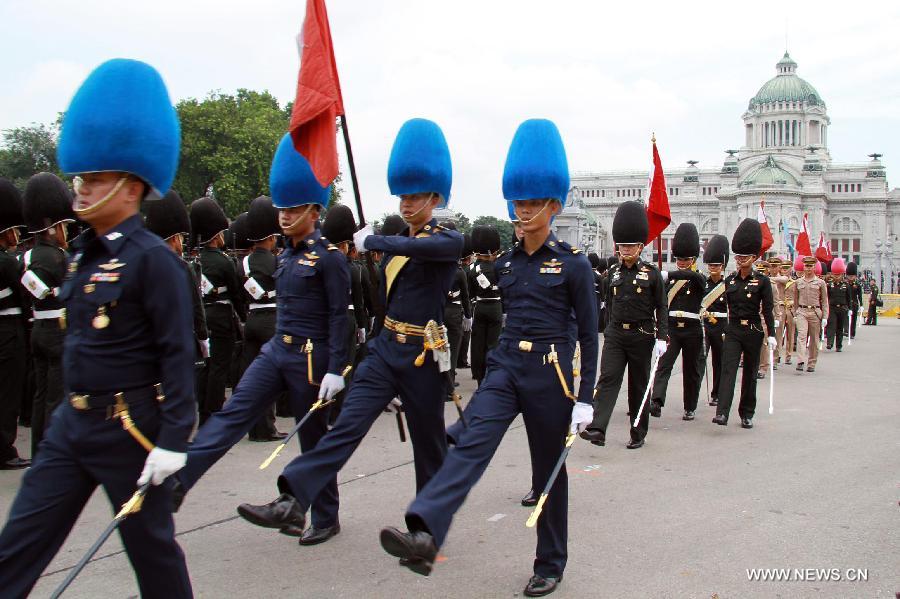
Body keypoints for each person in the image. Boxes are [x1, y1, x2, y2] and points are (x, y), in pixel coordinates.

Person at [378, 118, 597, 597]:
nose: (522, 210)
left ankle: (551, 563)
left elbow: (590, 335)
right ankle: (425, 532)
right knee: (470, 446)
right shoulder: (508, 265)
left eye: (532, 202)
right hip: (505, 369)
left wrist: (587, 398)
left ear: (554, 206)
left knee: (547, 473)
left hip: (552, 375)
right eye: (517, 201)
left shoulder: (575, 264)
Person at [0, 58, 195, 598]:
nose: (81, 188)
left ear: (131, 186)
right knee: (19, 544)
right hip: (72, 422)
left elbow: (177, 354)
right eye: (80, 177)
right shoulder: (84, 255)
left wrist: (174, 440)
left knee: (153, 554)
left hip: (130, 429)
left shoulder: (154, 260)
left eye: (95, 178)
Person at [234, 119, 463, 541]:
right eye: (403, 195)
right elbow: (386, 303)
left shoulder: (444, 237)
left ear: (435, 196)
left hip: (422, 354)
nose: (407, 203)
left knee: (428, 446)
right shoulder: (398, 240)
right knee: (345, 427)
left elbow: (429, 249)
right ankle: (294, 498)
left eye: (416, 196)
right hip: (385, 350)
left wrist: (375, 242)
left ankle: (427, 530)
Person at [174, 135, 350, 546]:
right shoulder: (286, 255)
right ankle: (179, 482)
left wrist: (335, 367)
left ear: (314, 209)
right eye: (282, 208)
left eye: (293, 208)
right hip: (276, 350)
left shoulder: (330, 259)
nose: (285, 216)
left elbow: (339, 316)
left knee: (313, 440)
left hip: (310, 356)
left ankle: (324, 515)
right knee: (232, 414)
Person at [580, 201, 667, 449]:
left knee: (638, 386)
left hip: (641, 334)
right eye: (622, 245)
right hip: (616, 334)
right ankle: (597, 428)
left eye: (630, 246)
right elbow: (608, 302)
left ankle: (638, 432)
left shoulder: (651, 274)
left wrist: (662, 337)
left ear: (640, 246)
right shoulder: (613, 273)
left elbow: (661, 306)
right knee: (608, 378)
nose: (625, 250)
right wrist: (608, 329)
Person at [20, 172, 75, 458]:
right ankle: (54, 453)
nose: (67, 231)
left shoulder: (29, 256)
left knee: (42, 394)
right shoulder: (58, 257)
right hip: (58, 328)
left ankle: (39, 449)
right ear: (52, 226)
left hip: (37, 328)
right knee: (57, 395)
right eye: (64, 226)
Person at [144, 190, 209, 428]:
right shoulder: (181, 267)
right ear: (173, 237)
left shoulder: (141, 263)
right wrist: (203, 338)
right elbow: (195, 307)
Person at [712, 219, 775, 429]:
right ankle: (722, 412)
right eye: (738, 256)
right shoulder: (729, 281)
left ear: (755, 258)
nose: (740, 260)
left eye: (744, 257)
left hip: (753, 330)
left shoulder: (762, 282)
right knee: (728, 369)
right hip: (733, 329)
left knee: (749, 372)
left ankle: (747, 412)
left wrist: (772, 334)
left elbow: (767, 309)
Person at [190, 197, 246, 423]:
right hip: (221, 319)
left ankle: (202, 409)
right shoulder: (224, 262)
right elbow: (236, 294)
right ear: (216, 235)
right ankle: (213, 410)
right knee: (219, 367)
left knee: (204, 366)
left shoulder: (192, 261)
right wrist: (243, 318)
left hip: (200, 316)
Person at [239, 196, 288, 441]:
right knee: (269, 378)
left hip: (251, 319)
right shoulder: (278, 261)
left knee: (252, 376)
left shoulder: (244, 262)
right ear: (271, 237)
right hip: (272, 319)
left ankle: (253, 428)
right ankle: (267, 428)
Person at [649, 223, 705, 421]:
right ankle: (656, 401)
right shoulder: (669, 281)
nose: (682, 263)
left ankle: (690, 406)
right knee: (663, 365)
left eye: (686, 259)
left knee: (692, 370)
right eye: (679, 259)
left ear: (693, 259)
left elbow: (690, 275)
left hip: (692, 330)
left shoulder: (698, 278)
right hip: (672, 327)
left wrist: (668, 274)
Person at [0, 179, 30, 469]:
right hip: (8, 332)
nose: (18, 235)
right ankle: (5, 450)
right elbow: (25, 295)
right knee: (7, 393)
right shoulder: (8, 263)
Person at [467, 225, 503, 386]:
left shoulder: (472, 269)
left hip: (479, 307)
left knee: (478, 344)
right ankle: (492, 376)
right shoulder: (499, 268)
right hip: (496, 306)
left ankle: (479, 376)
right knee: (493, 344)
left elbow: (469, 293)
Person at [700, 234, 729, 406]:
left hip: (721, 326)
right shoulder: (703, 283)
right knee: (700, 359)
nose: (713, 268)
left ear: (722, 265)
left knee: (719, 361)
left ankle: (717, 393)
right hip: (705, 325)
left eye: (716, 265)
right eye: (711, 265)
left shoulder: (727, 285)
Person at [791, 256, 828, 373]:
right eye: (806, 266)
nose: (808, 268)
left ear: (814, 267)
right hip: (802, 311)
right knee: (801, 335)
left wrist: (825, 317)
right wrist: (795, 313)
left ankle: (812, 362)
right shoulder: (798, 282)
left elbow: (825, 301)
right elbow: (795, 299)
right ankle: (800, 360)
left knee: (814, 339)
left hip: (815, 312)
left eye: (810, 266)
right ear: (803, 267)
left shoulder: (820, 283)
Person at [825, 258, 850, 352]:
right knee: (831, 325)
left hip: (842, 308)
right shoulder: (829, 284)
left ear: (842, 274)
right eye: (835, 275)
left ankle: (839, 345)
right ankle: (830, 343)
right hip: (832, 308)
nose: (836, 277)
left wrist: (849, 309)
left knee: (840, 327)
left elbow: (848, 298)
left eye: (838, 275)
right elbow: (826, 297)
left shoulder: (845, 285)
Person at [846, 261, 863, 338]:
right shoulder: (845, 284)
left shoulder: (858, 285)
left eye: (852, 276)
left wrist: (861, 304)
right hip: (846, 303)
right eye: (849, 276)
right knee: (846, 319)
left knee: (853, 319)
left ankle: (852, 333)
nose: (851, 278)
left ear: (855, 276)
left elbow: (859, 295)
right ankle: (846, 330)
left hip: (854, 303)